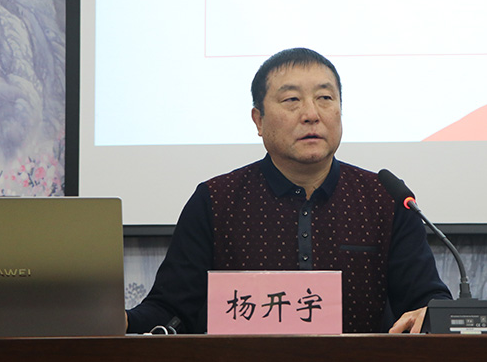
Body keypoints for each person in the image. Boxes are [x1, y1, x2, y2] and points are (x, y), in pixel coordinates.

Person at [125, 48, 451, 334]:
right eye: (291, 100)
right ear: (258, 120)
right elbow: (171, 310)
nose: (311, 114)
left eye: (325, 98)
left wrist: (434, 312)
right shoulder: (216, 200)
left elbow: (425, 300)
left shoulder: (384, 200)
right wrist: (120, 321)